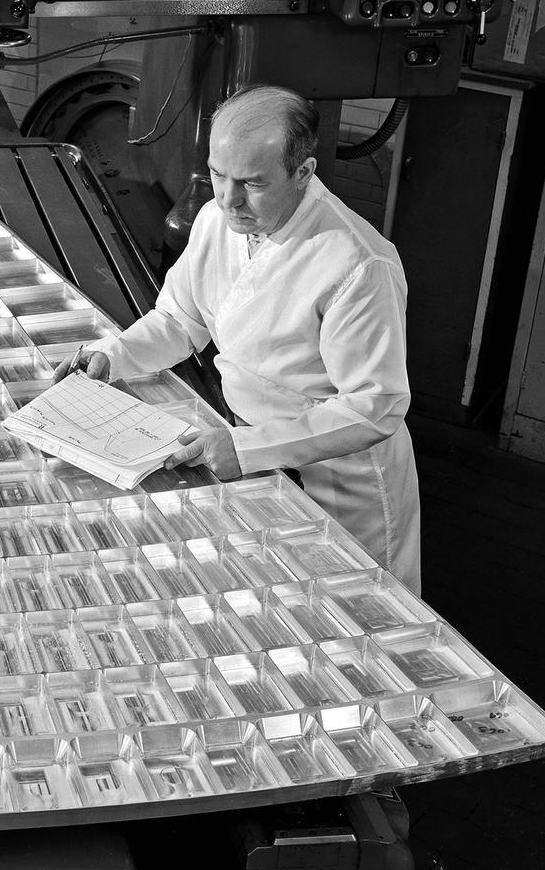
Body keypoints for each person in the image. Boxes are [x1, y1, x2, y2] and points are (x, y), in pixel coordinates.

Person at [57, 84, 421, 594]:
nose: (228, 200)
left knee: (357, 613)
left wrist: (248, 448)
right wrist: (111, 355)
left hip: (341, 476)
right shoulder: (214, 221)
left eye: (252, 183)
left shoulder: (358, 262)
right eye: (218, 175)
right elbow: (181, 321)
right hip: (247, 449)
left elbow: (376, 405)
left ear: (304, 172)